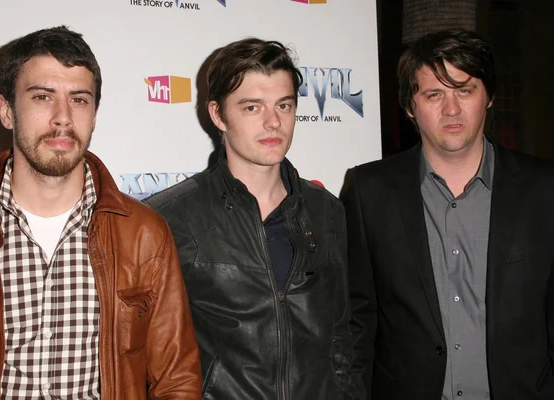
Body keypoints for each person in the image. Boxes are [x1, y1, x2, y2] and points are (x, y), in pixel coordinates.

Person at [0, 26, 201, 399]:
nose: (63, 117)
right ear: (5, 111)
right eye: (42, 97)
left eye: (79, 100)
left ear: (95, 113)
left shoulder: (144, 233)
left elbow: (176, 379)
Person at [344, 28, 554, 400]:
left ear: (488, 97)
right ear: (410, 106)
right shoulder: (368, 191)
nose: (451, 109)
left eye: (464, 90)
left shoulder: (544, 189)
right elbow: (357, 322)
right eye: (434, 94)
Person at [144, 38, 354, 399]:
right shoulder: (170, 218)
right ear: (217, 115)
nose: (273, 122)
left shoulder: (326, 211)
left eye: (283, 105)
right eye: (252, 107)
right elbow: (154, 355)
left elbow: (342, 336)